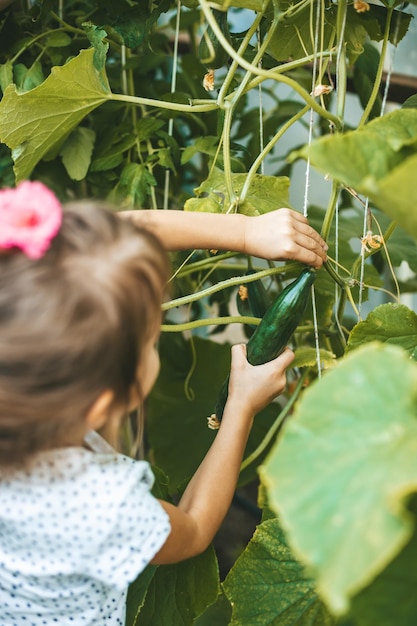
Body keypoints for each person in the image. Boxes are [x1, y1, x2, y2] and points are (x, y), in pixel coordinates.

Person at [0, 180, 327, 625]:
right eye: (153, 337)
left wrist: (246, 234)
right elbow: (192, 527)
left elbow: (106, 242)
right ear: (106, 400)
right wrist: (240, 408)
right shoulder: (97, 503)